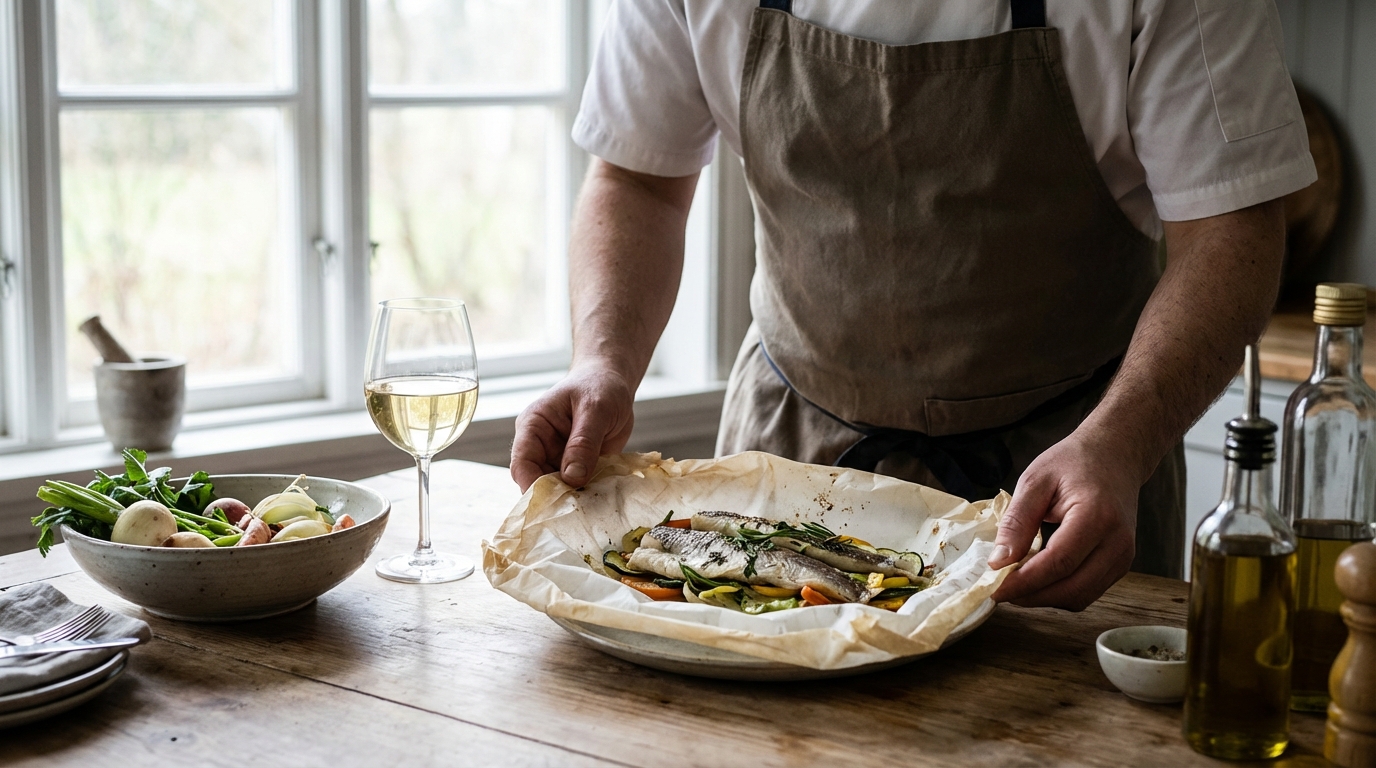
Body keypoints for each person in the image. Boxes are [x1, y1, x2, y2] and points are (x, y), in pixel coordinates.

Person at [510, 0, 1316, 610]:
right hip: (784, 466)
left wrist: (1119, 442)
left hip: (1071, 477)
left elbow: (1233, 231)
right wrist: (604, 360)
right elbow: (638, 180)